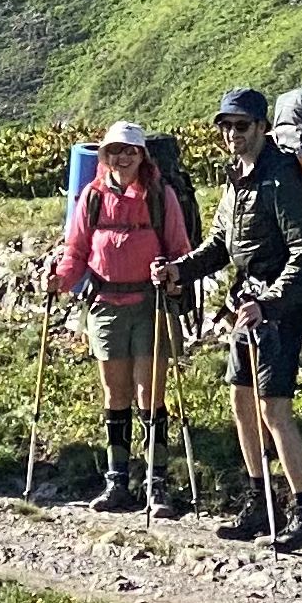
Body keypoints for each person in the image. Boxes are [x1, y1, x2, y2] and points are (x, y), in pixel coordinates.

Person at [162, 87, 302, 548]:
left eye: (241, 126)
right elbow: (221, 245)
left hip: (278, 309)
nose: (232, 134)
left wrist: (271, 303)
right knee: (242, 402)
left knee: (273, 409)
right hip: (248, 305)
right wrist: (180, 268)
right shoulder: (237, 179)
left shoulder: (281, 179)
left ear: (262, 127)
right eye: (225, 126)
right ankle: (261, 505)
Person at [52, 121, 195, 517]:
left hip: (151, 305)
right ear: (104, 156)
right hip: (105, 304)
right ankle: (118, 482)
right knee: (115, 395)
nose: (122, 157)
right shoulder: (92, 197)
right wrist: (59, 281)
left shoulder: (160, 196)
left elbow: (180, 249)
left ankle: (155, 485)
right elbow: (76, 250)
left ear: (142, 155)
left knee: (151, 397)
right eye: (114, 150)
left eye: (129, 150)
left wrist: (172, 277)